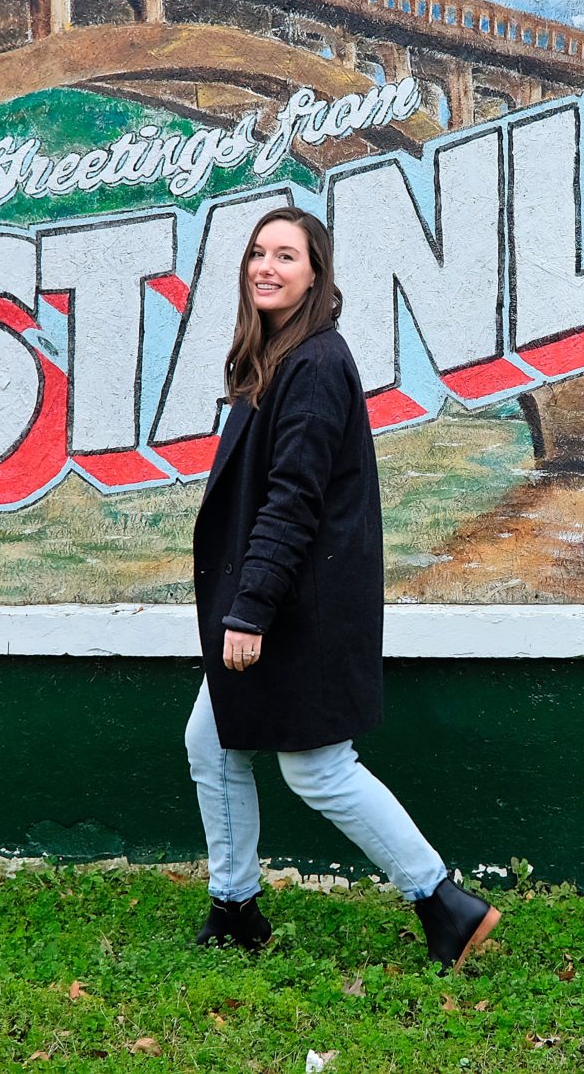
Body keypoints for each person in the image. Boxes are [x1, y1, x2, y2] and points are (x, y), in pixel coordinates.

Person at [184, 204, 500, 972]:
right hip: (285, 598)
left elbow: (293, 498)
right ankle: (235, 908)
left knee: (318, 768)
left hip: (298, 607)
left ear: (316, 276)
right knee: (210, 740)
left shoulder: (317, 365)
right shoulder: (277, 359)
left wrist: (250, 607)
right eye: (258, 253)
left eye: (286, 256)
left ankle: (442, 902)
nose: (266, 266)